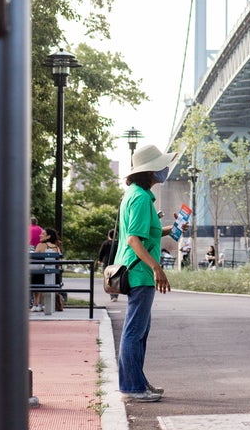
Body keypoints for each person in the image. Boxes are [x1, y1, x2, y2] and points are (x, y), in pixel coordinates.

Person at [114, 143, 176, 402]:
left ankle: (137, 382)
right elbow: (133, 240)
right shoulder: (140, 198)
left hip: (137, 271)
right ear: (150, 172)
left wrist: (170, 229)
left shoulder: (135, 194)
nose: (165, 170)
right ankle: (132, 387)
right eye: (161, 166)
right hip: (139, 272)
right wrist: (157, 267)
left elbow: (145, 232)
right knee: (134, 331)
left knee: (139, 330)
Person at [31, 228, 62, 312]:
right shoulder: (56, 247)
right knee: (43, 276)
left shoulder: (40, 245)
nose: (40, 235)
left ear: (48, 236)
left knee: (35, 275)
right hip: (54, 277)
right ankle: (40, 304)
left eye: (43, 234)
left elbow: (33, 259)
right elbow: (59, 263)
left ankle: (36, 304)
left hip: (39, 276)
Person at [97, 229, 119, 301]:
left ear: (108, 235)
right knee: (116, 279)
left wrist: (100, 260)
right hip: (116, 263)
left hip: (107, 263)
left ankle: (112, 295)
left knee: (108, 279)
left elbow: (101, 253)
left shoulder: (105, 243)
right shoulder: (118, 243)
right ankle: (115, 295)